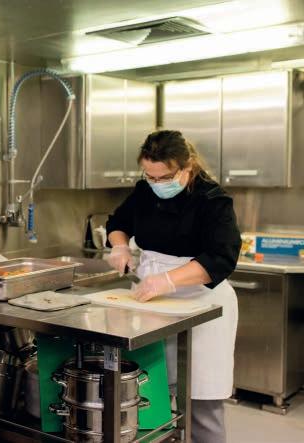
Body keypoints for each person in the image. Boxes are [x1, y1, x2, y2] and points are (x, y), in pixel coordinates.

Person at [105, 130, 240, 443]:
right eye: (149, 176)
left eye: (164, 177)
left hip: (202, 303)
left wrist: (168, 280)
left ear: (186, 166)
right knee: (149, 398)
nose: (156, 184)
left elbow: (221, 257)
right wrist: (120, 246)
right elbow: (118, 223)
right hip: (152, 303)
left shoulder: (212, 200)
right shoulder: (144, 191)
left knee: (201, 405)